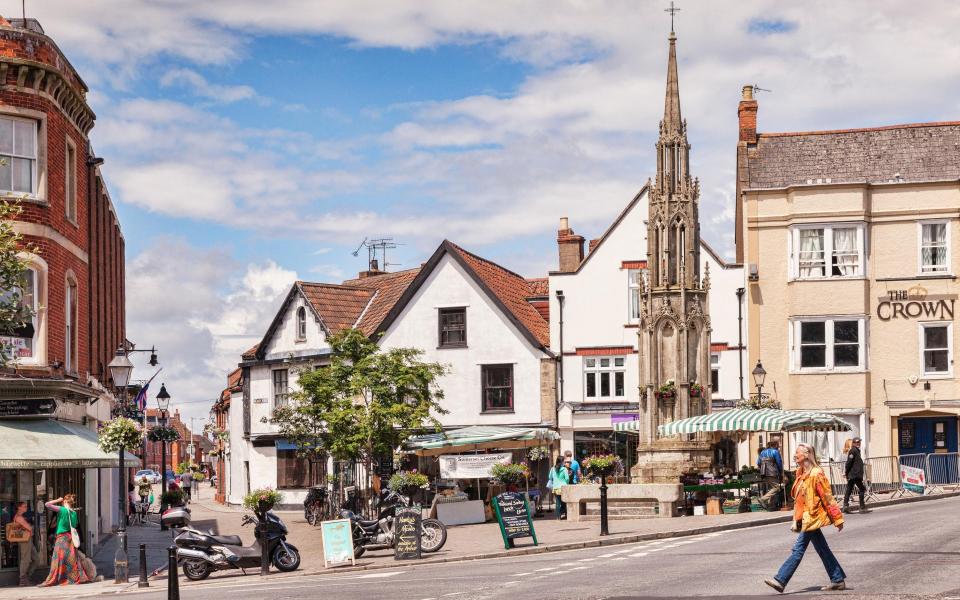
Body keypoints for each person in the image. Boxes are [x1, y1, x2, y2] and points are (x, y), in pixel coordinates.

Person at [764, 444, 846, 593]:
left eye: (797, 453)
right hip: (804, 517)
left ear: (807, 454)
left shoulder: (816, 474)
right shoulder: (801, 473)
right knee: (822, 549)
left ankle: (780, 580)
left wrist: (837, 518)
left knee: (798, 549)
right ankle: (837, 579)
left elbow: (827, 497)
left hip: (812, 517)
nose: (795, 455)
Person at [40, 494, 92, 586]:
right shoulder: (74, 513)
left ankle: (58, 578)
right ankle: (73, 578)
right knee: (71, 559)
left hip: (61, 539)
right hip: (70, 538)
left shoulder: (62, 510)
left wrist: (57, 500)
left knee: (58, 560)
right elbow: (75, 525)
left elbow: (47, 504)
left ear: (64, 502)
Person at [12, 501, 38, 586]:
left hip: (28, 539)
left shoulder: (21, 517)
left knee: (36, 559)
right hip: (24, 540)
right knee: (25, 559)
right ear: (19, 507)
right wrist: (30, 528)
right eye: (24, 506)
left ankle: (27, 577)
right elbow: (29, 528)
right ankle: (23, 579)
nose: (26, 507)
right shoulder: (19, 518)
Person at [843, 437, 869, 514]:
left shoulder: (856, 451)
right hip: (854, 474)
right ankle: (861, 507)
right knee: (861, 489)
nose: (858, 443)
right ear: (853, 443)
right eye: (857, 442)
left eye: (859, 442)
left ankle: (846, 505)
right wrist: (846, 472)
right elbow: (848, 463)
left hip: (855, 474)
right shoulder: (853, 451)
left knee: (849, 489)